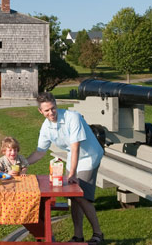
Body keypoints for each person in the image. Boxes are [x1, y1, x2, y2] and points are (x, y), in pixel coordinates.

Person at [27, 92, 104, 243]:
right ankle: (78, 236)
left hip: (89, 156)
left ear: (56, 104)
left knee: (81, 197)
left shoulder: (72, 117)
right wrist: (23, 164)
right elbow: (39, 152)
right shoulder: (46, 127)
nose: (51, 113)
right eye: (47, 110)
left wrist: (73, 174)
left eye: (53, 108)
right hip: (73, 158)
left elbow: (76, 147)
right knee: (73, 197)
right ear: (40, 111)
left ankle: (98, 234)